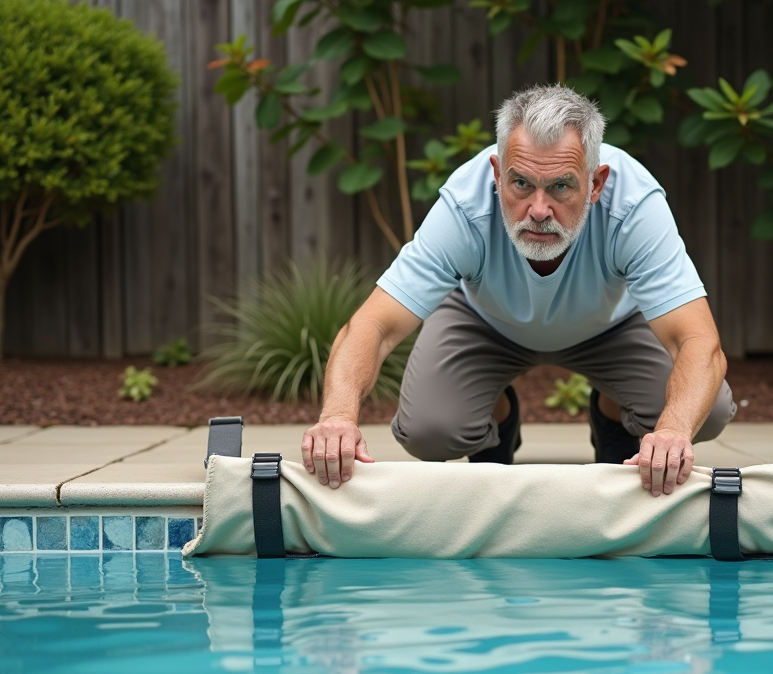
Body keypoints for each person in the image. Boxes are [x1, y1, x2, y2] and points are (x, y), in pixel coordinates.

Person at [301, 85, 736, 497]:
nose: (539, 210)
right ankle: (497, 414)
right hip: (486, 323)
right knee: (429, 432)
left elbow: (699, 342)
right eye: (522, 184)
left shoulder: (634, 203)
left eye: (561, 186)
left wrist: (674, 429)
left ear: (596, 184)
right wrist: (337, 417)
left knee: (708, 410)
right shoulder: (464, 206)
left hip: (611, 326)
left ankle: (612, 412)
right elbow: (373, 324)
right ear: (496, 173)